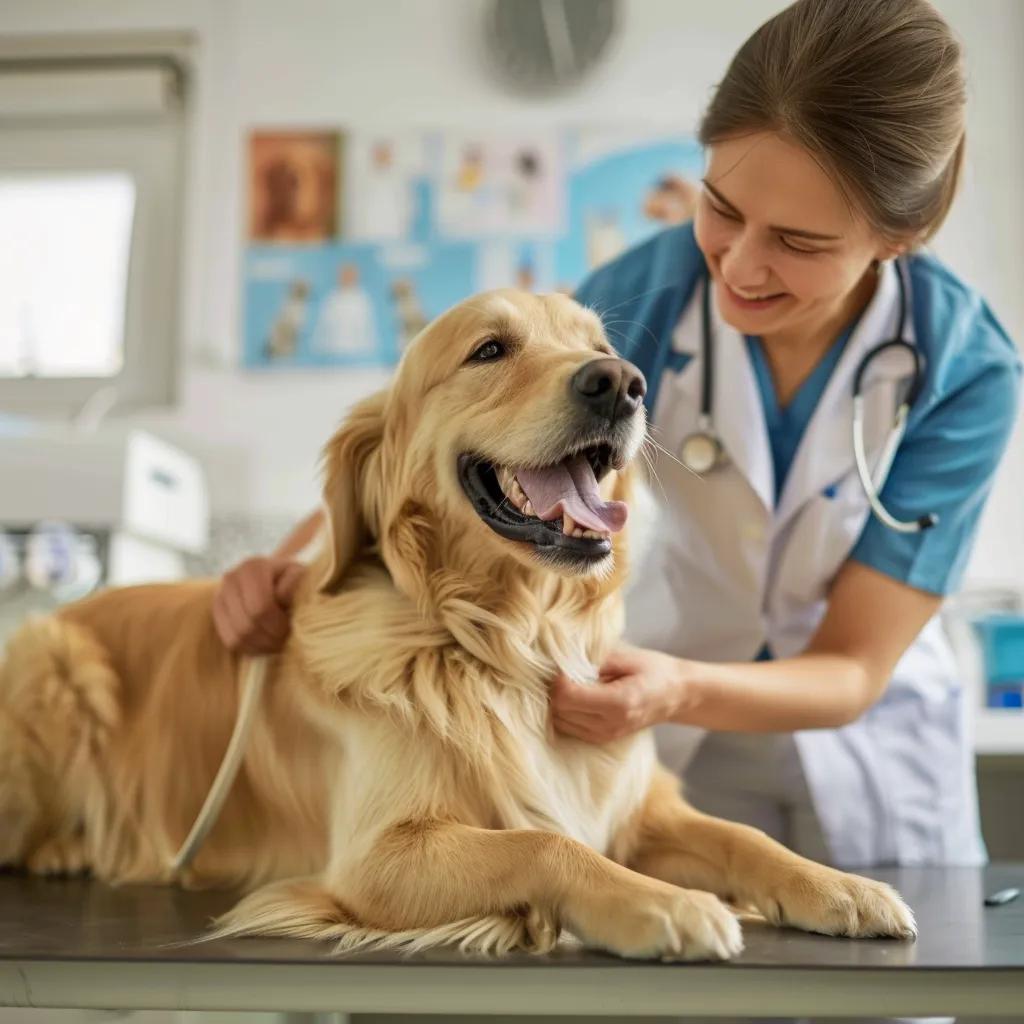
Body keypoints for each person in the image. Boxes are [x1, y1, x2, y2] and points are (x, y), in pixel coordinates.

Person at [214, 0, 1021, 870]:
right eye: (721, 206)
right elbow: (449, 422)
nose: (741, 266)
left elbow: (854, 666)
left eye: (797, 241)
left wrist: (677, 688)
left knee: (885, 982)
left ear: (900, 237)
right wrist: (292, 564)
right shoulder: (650, 286)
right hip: (672, 744)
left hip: (869, 747)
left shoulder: (964, 369)